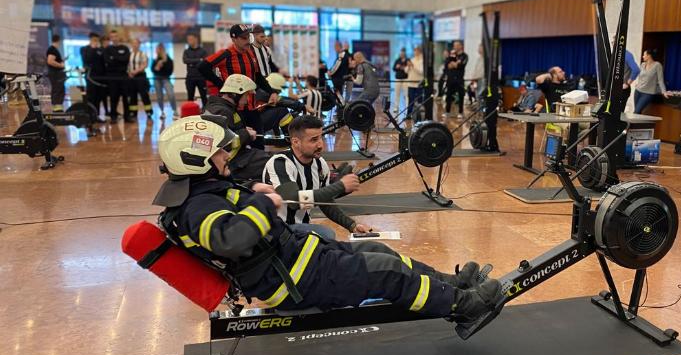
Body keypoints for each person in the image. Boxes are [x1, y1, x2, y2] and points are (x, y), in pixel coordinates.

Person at [153, 114, 502, 320]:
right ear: (194, 160)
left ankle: (450, 284)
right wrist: (265, 201)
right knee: (387, 274)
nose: (226, 155)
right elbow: (231, 240)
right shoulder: (195, 207)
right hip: (292, 279)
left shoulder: (205, 191)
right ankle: (462, 305)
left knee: (381, 254)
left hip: (299, 256)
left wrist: (350, 225)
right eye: (217, 153)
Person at [262, 115, 372, 241]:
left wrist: (352, 225)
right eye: (314, 140)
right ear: (295, 142)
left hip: (300, 227)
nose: (320, 144)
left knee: (329, 242)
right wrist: (340, 185)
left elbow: (325, 202)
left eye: (321, 137)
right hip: (275, 231)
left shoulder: (320, 164)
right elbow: (294, 201)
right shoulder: (279, 162)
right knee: (327, 236)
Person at [197, 24, 275, 133]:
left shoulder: (250, 54)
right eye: (244, 38)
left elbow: (257, 76)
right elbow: (202, 66)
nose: (248, 40)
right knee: (240, 142)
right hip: (235, 109)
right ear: (234, 39)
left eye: (249, 37)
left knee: (259, 140)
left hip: (252, 106)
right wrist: (222, 86)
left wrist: (271, 92)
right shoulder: (226, 54)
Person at [202, 74, 273, 181]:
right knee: (273, 164)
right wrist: (246, 134)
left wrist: (243, 131)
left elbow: (229, 132)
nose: (246, 100)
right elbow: (220, 143)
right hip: (231, 162)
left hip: (238, 156)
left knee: (271, 159)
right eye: (246, 95)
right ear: (235, 94)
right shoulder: (220, 111)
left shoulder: (225, 108)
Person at [103, 30, 132, 122]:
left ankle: (127, 116)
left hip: (123, 76)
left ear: (118, 37)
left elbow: (126, 59)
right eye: (112, 37)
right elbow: (108, 61)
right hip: (112, 76)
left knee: (125, 97)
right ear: (110, 38)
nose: (114, 38)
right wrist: (119, 58)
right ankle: (113, 116)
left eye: (116, 36)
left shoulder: (125, 48)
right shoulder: (107, 49)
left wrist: (115, 58)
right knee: (113, 97)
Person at [80, 32, 108, 120]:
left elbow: (104, 61)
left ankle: (96, 116)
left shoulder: (101, 49)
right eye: (94, 40)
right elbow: (86, 60)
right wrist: (93, 48)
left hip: (100, 78)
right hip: (90, 77)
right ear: (90, 40)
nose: (96, 42)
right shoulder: (84, 49)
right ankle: (89, 116)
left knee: (98, 98)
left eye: (97, 40)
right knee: (91, 97)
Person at [633, 49, 669, 114]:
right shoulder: (642, 64)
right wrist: (637, 83)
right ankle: (637, 124)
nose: (643, 56)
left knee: (636, 111)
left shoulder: (657, 65)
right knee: (638, 112)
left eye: (644, 55)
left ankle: (631, 124)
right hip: (638, 91)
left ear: (649, 56)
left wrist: (664, 91)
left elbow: (660, 80)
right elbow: (641, 76)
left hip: (648, 93)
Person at [127, 38, 153, 119]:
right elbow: (126, 65)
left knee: (144, 95)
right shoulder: (129, 54)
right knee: (132, 95)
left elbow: (145, 65)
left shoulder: (143, 54)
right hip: (131, 77)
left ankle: (149, 112)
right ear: (131, 44)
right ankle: (133, 113)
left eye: (136, 43)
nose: (135, 45)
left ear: (139, 45)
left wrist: (135, 72)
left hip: (140, 76)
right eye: (133, 43)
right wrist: (129, 73)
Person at [443, 41, 468, 118]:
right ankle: (447, 111)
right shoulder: (452, 55)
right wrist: (455, 63)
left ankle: (460, 112)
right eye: (454, 45)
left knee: (461, 96)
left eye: (457, 45)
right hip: (450, 79)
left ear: (461, 46)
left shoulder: (464, 56)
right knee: (448, 96)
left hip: (459, 79)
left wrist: (455, 64)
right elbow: (447, 65)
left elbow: (460, 65)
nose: (455, 47)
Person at [182, 34, 208, 107]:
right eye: (188, 39)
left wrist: (191, 63)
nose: (189, 41)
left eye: (191, 39)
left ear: (196, 39)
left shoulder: (203, 51)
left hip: (201, 77)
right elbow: (185, 60)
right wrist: (199, 60)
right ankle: (190, 114)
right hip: (190, 77)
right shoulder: (186, 51)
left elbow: (204, 62)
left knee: (204, 97)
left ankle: (206, 113)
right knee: (190, 98)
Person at [152, 44, 177, 118]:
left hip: (166, 79)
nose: (159, 51)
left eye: (160, 49)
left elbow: (170, 71)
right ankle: (162, 112)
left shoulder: (168, 59)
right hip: (157, 79)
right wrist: (157, 66)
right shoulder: (155, 59)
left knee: (171, 94)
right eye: (157, 49)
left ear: (163, 50)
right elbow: (152, 70)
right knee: (159, 97)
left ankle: (175, 111)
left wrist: (164, 63)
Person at [46, 34, 66, 112]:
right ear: (59, 41)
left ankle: (57, 107)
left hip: (56, 73)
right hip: (55, 74)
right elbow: (50, 61)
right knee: (57, 89)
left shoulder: (53, 49)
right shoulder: (52, 49)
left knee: (58, 89)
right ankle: (57, 108)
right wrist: (60, 65)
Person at [404, 46, 425, 119]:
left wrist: (413, 66)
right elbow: (406, 71)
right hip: (410, 83)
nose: (415, 52)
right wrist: (408, 67)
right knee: (410, 100)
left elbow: (421, 72)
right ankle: (408, 115)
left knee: (419, 100)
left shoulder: (422, 60)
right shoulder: (412, 59)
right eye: (414, 50)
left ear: (419, 51)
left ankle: (419, 116)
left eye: (416, 50)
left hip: (418, 84)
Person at [392, 48, 410, 113]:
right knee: (397, 94)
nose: (402, 54)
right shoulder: (397, 60)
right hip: (398, 78)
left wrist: (402, 67)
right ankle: (396, 107)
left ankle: (407, 108)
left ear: (405, 53)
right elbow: (393, 68)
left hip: (405, 79)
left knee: (406, 94)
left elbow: (409, 69)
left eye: (403, 53)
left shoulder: (408, 60)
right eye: (401, 53)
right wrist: (397, 67)